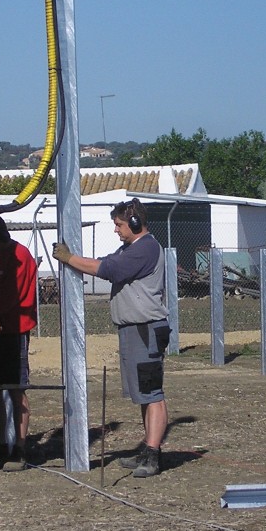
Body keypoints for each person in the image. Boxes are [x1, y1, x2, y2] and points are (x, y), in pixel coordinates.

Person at [52, 198, 169, 478]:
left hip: (146, 328)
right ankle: (147, 448)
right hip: (134, 329)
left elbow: (109, 270)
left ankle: (153, 455)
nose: (116, 230)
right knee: (143, 393)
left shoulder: (146, 248)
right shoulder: (130, 248)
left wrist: (70, 259)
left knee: (152, 393)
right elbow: (109, 262)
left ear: (135, 223)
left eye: (118, 225)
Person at [0, 215, 38, 472]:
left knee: (16, 389)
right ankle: (1, 444)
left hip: (14, 330)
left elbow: (10, 296)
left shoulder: (20, 256)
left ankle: (19, 446)